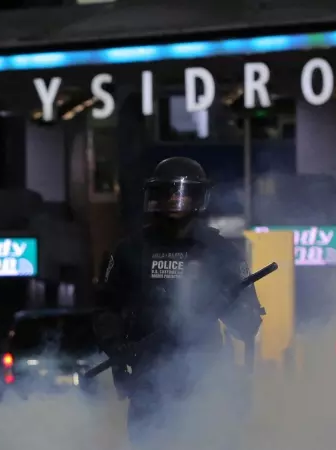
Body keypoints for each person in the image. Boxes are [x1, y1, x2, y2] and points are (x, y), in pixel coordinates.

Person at [93, 156, 264, 448]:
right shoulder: (129, 251)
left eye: (183, 193)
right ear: (155, 196)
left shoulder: (221, 252)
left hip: (204, 376)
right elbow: (105, 309)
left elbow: (249, 321)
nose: (176, 200)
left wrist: (230, 308)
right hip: (148, 377)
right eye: (169, 192)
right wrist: (116, 347)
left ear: (199, 197)